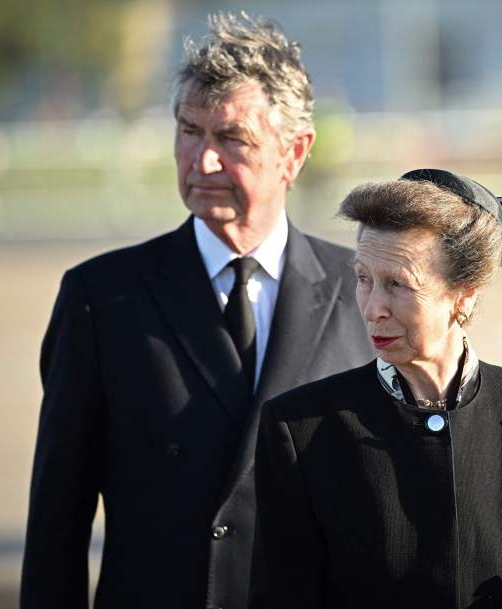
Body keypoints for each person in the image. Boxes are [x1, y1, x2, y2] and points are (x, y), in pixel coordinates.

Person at [20, 13, 372, 609]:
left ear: (295, 152)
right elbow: (58, 520)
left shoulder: (363, 290)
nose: (202, 160)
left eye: (231, 139)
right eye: (189, 132)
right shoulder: (100, 299)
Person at [248, 169, 502, 609]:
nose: (372, 309)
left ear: (464, 293)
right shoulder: (302, 427)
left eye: (398, 284)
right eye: (363, 278)